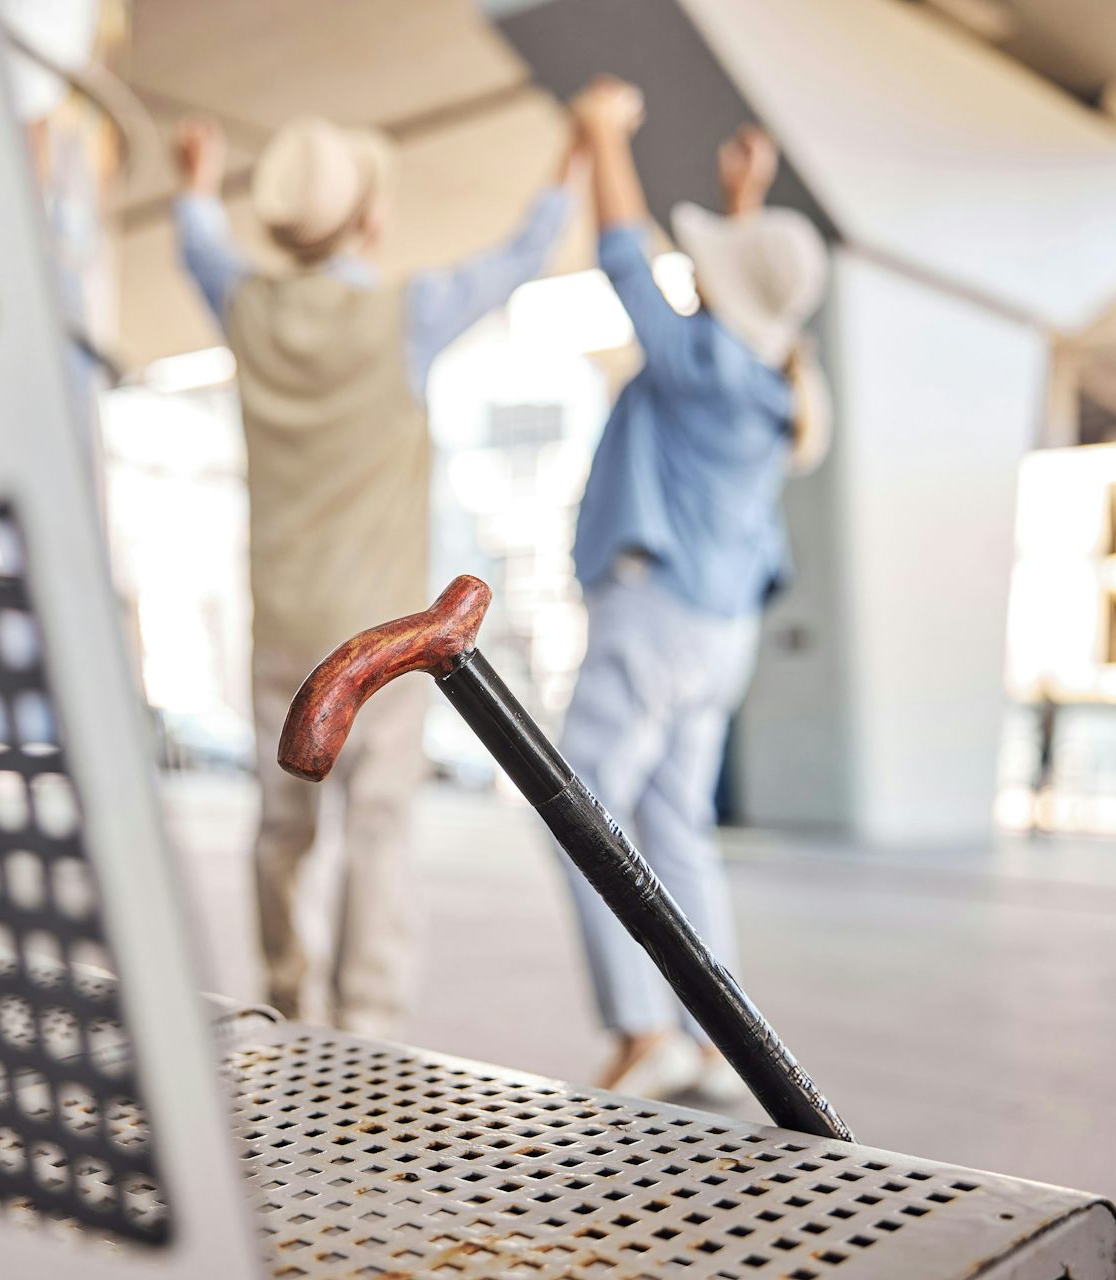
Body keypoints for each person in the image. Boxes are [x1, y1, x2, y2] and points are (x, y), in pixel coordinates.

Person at [171, 113, 578, 1036]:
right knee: (380, 826)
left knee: (281, 828)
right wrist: (577, 153)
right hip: (385, 635)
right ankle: (369, 1023)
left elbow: (198, 238)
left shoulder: (243, 304)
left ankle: (286, 999)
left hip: (279, 620)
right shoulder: (408, 313)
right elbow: (524, 250)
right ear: (371, 222)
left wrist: (197, 178)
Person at [560, 77, 831, 1098]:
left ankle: (640, 1032)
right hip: (721, 636)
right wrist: (744, 204)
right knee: (675, 820)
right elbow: (745, 297)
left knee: (580, 797)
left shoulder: (700, 365)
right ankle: (717, 1037)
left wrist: (600, 136)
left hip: (656, 615)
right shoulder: (771, 381)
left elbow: (624, 255)